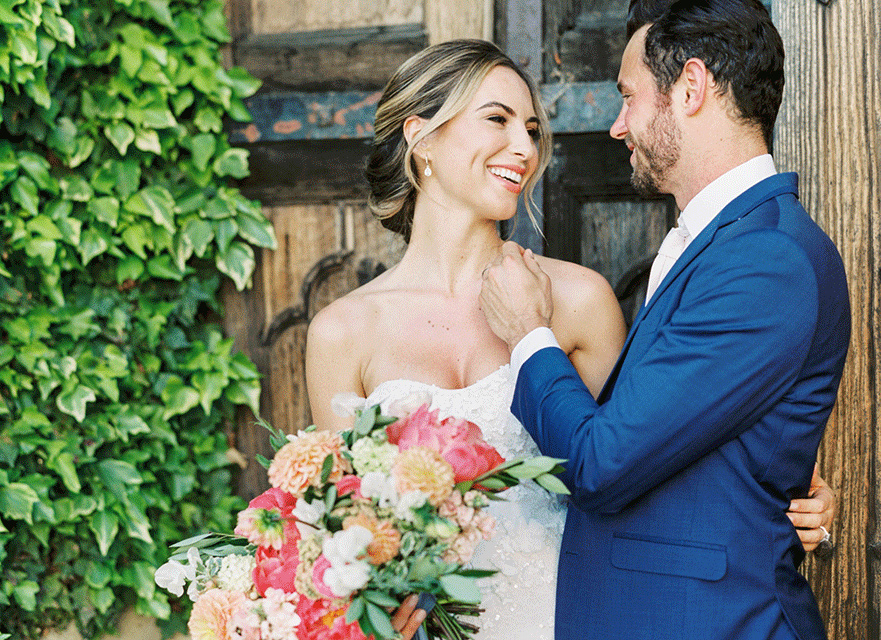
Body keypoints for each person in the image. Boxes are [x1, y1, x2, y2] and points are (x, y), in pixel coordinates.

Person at [306, 34, 836, 640]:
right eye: (497, 120)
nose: (524, 148)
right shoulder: (341, 333)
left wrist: (783, 490)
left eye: (532, 129)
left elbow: (642, 455)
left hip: (574, 617)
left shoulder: (578, 301)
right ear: (419, 135)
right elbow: (338, 539)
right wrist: (369, 600)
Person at [478, 1, 850, 638]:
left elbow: (601, 462)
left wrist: (528, 335)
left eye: (629, 96)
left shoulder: (767, 259)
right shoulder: (721, 244)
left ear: (691, 87)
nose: (618, 126)